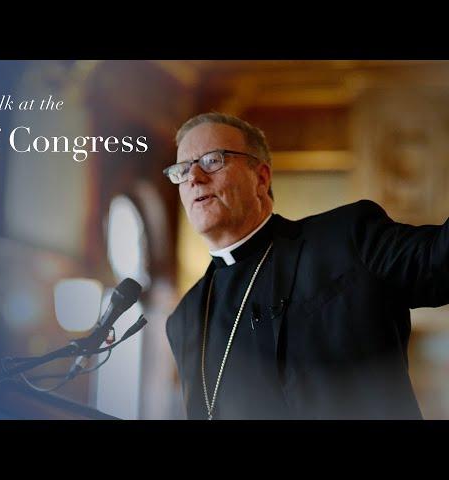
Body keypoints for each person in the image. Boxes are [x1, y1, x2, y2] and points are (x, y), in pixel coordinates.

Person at [163, 112, 449, 420]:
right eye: (181, 170)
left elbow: (440, 260)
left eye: (212, 160)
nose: (194, 177)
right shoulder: (185, 318)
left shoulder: (347, 238)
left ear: (261, 178)